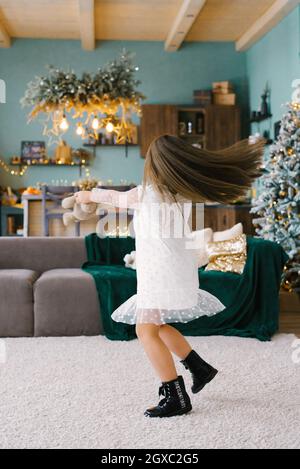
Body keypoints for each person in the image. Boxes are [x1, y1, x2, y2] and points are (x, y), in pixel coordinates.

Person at [74, 134, 264, 418]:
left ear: (155, 164)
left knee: (144, 329)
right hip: (174, 270)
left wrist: (86, 195)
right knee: (156, 326)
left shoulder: (147, 193)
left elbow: (113, 197)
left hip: (158, 273)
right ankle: (199, 367)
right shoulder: (182, 195)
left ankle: (175, 396)